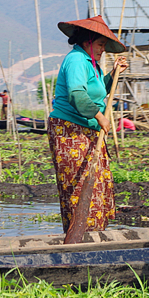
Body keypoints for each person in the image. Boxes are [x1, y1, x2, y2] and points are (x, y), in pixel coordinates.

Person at [48, 15, 129, 233]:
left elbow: (96, 91)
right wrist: (99, 116)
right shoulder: (76, 60)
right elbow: (77, 94)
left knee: (97, 183)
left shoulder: (90, 64)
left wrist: (113, 74)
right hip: (70, 131)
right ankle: (82, 233)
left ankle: (95, 232)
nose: (103, 50)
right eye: (101, 45)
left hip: (88, 130)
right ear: (88, 41)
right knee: (80, 183)